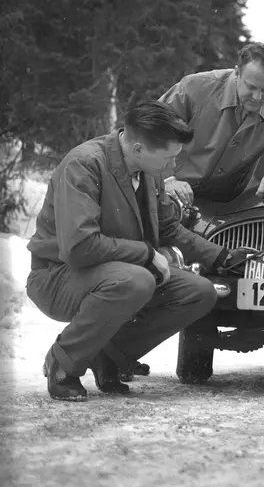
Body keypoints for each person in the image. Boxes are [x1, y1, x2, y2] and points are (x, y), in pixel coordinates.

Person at [26, 101, 246, 401]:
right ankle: (63, 362)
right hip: (58, 277)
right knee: (137, 280)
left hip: (117, 273)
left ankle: (109, 355)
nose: (173, 167)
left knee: (199, 292)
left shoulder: (148, 169)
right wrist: (146, 254)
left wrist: (220, 256)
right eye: (168, 158)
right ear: (139, 148)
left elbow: (168, 228)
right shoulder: (84, 164)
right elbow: (79, 247)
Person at [159, 42, 264, 205]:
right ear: (237, 73)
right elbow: (152, 130)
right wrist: (166, 179)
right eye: (251, 87)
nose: (257, 97)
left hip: (227, 206)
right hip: (169, 193)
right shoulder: (194, 88)